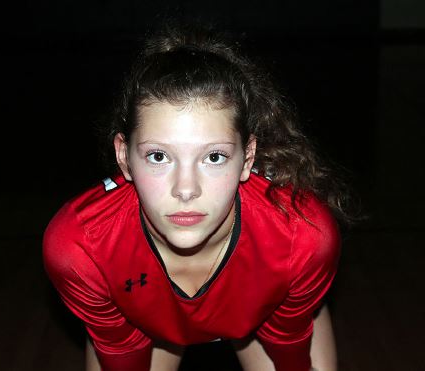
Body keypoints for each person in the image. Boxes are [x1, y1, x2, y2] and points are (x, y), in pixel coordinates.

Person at [43, 22, 351, 371]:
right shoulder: (81, 248)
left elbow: (289, 347)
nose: (186, 190)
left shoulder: (303, 237)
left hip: (264, 316)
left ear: (247, 159)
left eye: (213, 157)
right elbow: (121, 353)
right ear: (124, 158)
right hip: (143, 326)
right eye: (159, 156)